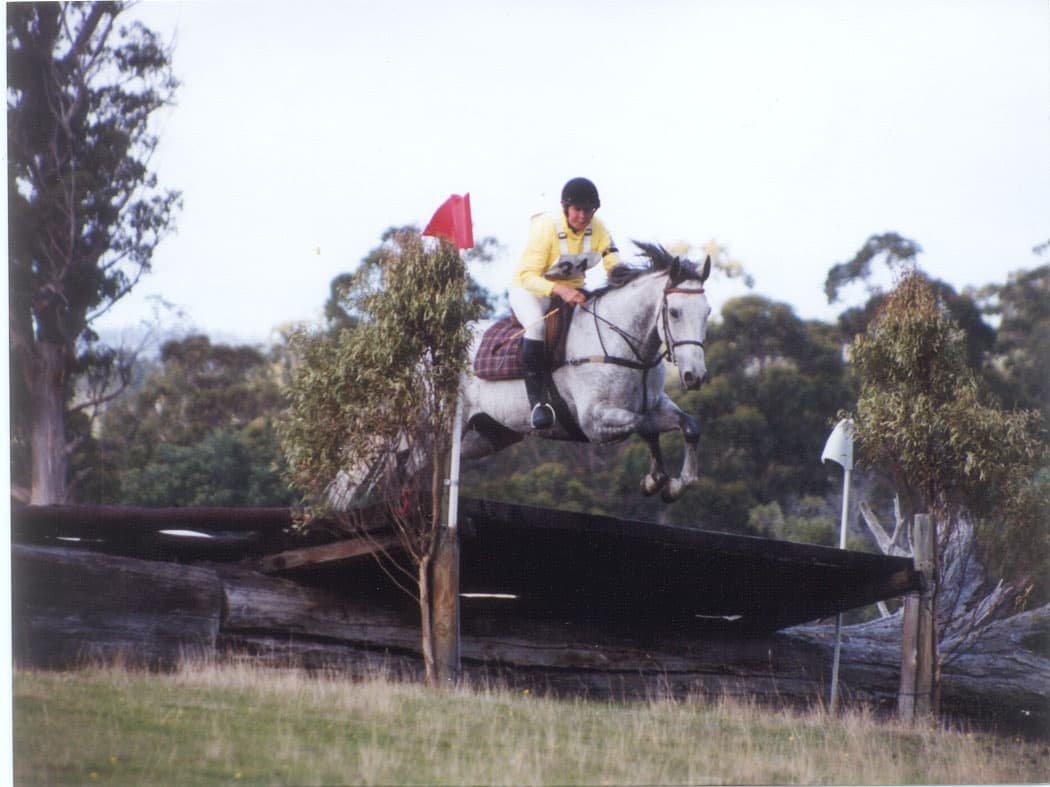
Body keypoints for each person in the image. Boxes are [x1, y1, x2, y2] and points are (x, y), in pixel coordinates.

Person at [509, 177, 622, 429]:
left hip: (572, 289)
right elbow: (528, 276)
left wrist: (622, 280)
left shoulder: (600, 229)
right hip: (531, 289)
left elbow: (613, 261)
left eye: (588, 210)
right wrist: (559, 290)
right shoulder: (547, 228)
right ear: (566, 208)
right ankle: (538, 402)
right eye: (577, 210)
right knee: (537, 329)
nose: (582, 216)